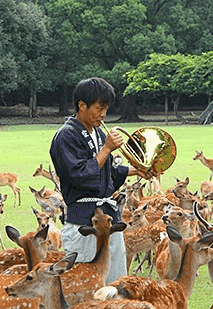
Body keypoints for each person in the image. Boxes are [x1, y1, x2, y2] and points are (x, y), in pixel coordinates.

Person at [50, 77, 149, 282]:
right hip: (83, 223)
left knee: (115, 284)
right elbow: (80, 175)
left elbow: (107, 172)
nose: (103, 114)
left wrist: (137, 171)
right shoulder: (65, 137)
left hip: (110, 219)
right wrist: (106, 149)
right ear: (82, 106)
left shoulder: (98, 133)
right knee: (86, 289)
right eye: (99, 108)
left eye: (106, 109)